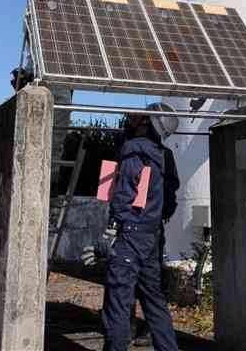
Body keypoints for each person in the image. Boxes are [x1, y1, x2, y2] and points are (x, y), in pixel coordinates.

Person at [82, 103, 180, 351]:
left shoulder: (132, 150)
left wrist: (110, 232)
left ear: (146, 123)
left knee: (118, 303)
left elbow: (121, 194)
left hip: (129, 236)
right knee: (154, 301)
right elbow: (168, 202)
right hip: (152, 236)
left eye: (139, 116)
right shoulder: (163, 155)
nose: (132, 118)